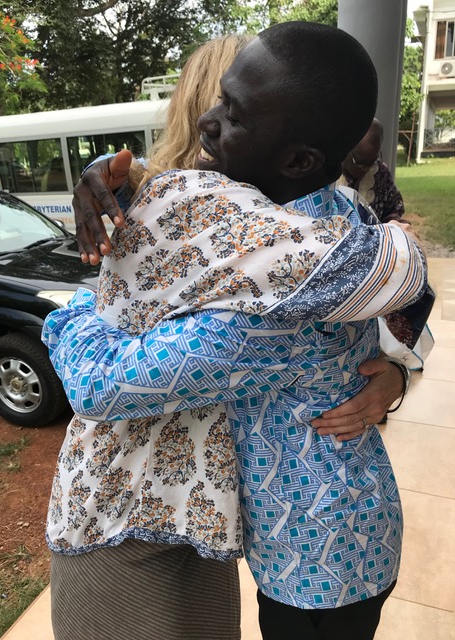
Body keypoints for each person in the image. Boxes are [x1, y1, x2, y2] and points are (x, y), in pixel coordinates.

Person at [44, 24, 426, 640]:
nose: (207, 128)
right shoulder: (320, 223)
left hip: (317, 558)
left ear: (298, 158)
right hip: (239, 524)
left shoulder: (271, 299)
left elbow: (99, 382)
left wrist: (65, 313)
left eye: (235, 116)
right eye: (215, 103)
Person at [337, 118, 406, 223]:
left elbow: (394, 207)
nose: (366, 169)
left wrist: (393, 223)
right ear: (346, 149)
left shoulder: (381, 173)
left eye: (372, 162)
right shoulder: (327, 173)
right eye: (360, 163)